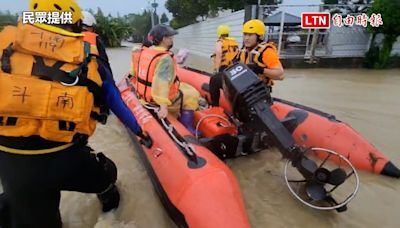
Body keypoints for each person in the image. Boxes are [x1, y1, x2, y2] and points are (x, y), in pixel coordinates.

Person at [0, 0, 152, 227]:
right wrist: (140, 132)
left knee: (27, 209)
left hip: (11, 160)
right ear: (75, 25)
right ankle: (110, 205)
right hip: (63, 155)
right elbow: (115, 102)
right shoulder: (87, 59)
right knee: (107, 174)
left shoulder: (4, 49)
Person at [131, 25, 200, 135]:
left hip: (144, 95)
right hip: (157, 98)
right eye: (170, 38)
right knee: (193, 94)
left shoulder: (144, 52)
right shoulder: (165, 58)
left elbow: (134, 72)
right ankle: (187, 127)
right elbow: (161, 83)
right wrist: (163, 107)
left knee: (185, 87)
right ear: (164, 39)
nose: (172, 40)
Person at [237, 19, 284, 94]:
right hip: (244, 89)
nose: (246, 38)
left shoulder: (267, 52)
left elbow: (280, 75)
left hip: (260, 92)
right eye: (245, 34)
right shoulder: (243, 50)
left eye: (250, 35)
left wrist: (260, 70)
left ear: (260, 36)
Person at [209, 25, 239, 106]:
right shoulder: (234, 42)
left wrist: (215, 70)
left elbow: (218, 56)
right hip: (235, 69)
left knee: (213, 81)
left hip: (224, 69)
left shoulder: (219, 42)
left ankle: (215, 105)